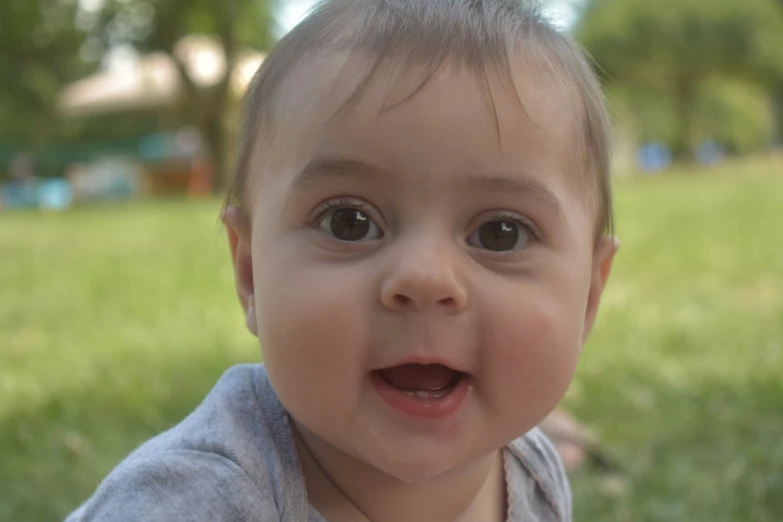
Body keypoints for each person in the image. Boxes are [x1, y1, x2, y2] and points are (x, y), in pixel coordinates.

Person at [66, 0, 618, 520]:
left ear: (589, 297)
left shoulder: (533, 472)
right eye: (349, 223)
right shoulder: (196, 501)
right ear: (251, 274)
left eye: (501, 233)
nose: (424, 277)